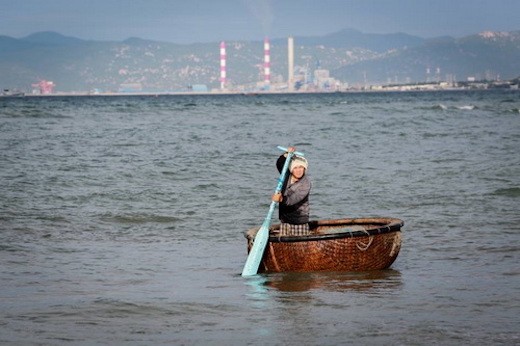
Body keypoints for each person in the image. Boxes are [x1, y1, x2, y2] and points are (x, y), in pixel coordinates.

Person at [272, 146, 312, 236]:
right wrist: (286, 155)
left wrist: (281, 198)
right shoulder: (286, 176)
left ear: (305, 169)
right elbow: (280, 164)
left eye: (301, 167)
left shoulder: (306, 183)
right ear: (291, 169)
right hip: (285, 220)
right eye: (295, 168)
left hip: (299, 221)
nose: (298, 170)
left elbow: (293, 199)